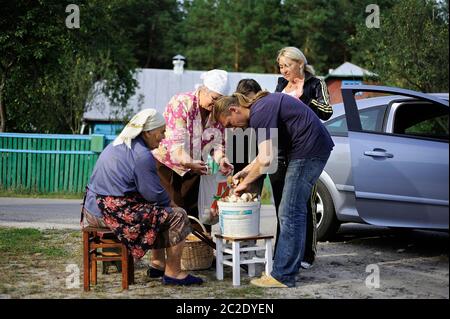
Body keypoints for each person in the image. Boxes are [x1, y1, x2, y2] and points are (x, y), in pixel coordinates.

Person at [214, 92, 334, 288]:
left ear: (233, 109)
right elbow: (265, 155)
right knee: (292, 211)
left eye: (229, 123)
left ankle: (283, 276)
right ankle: (287, 270)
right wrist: (245, 172)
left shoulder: (260, 111)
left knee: (289, 211)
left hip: (308, 151)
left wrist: (243, 186)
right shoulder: (261, 109)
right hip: (307, 150)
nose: (232, 129)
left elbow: (266, 159)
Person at [82, 108, 203, 286]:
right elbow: (153, 194)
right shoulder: (142, 155)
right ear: (147, 132)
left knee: (160, 213)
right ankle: (174, 273)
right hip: (108, 214)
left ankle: (158, 264)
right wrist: (175, 206)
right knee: (178, 216)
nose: (163, 137)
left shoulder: (119, 144)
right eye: (161, 132)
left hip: (92, 208)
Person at [272, 46, 334, 268]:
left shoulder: (316, 84)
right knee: (283, 204)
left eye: (287, 65)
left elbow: (327, 111)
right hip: (282, 150)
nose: (284, 70)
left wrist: (301, 104)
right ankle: (283, 251)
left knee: (304, 203)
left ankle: (308, 253)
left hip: (306, 149)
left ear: (300, 63)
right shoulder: (280, 85)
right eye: (281, 66)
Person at [152, 69, 234, 233]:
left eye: (220, 101)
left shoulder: (216, 112)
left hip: (194, 166)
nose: (215, 105)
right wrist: (191, 163)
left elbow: (217, 143)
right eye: (214, 99)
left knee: (198, 216)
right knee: (175, 214)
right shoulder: (181, 103)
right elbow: (176, 147)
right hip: (168, 166)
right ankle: (173, 257)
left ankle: (199, 255)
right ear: (203, 89)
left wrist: (221, 158)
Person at [230, 79, 264, 195]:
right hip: (236, 163)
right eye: (247, 100)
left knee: (252, 199)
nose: (250, 104)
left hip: (256, 164)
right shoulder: (233, 115)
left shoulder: (263, 115)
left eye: (253, 100)